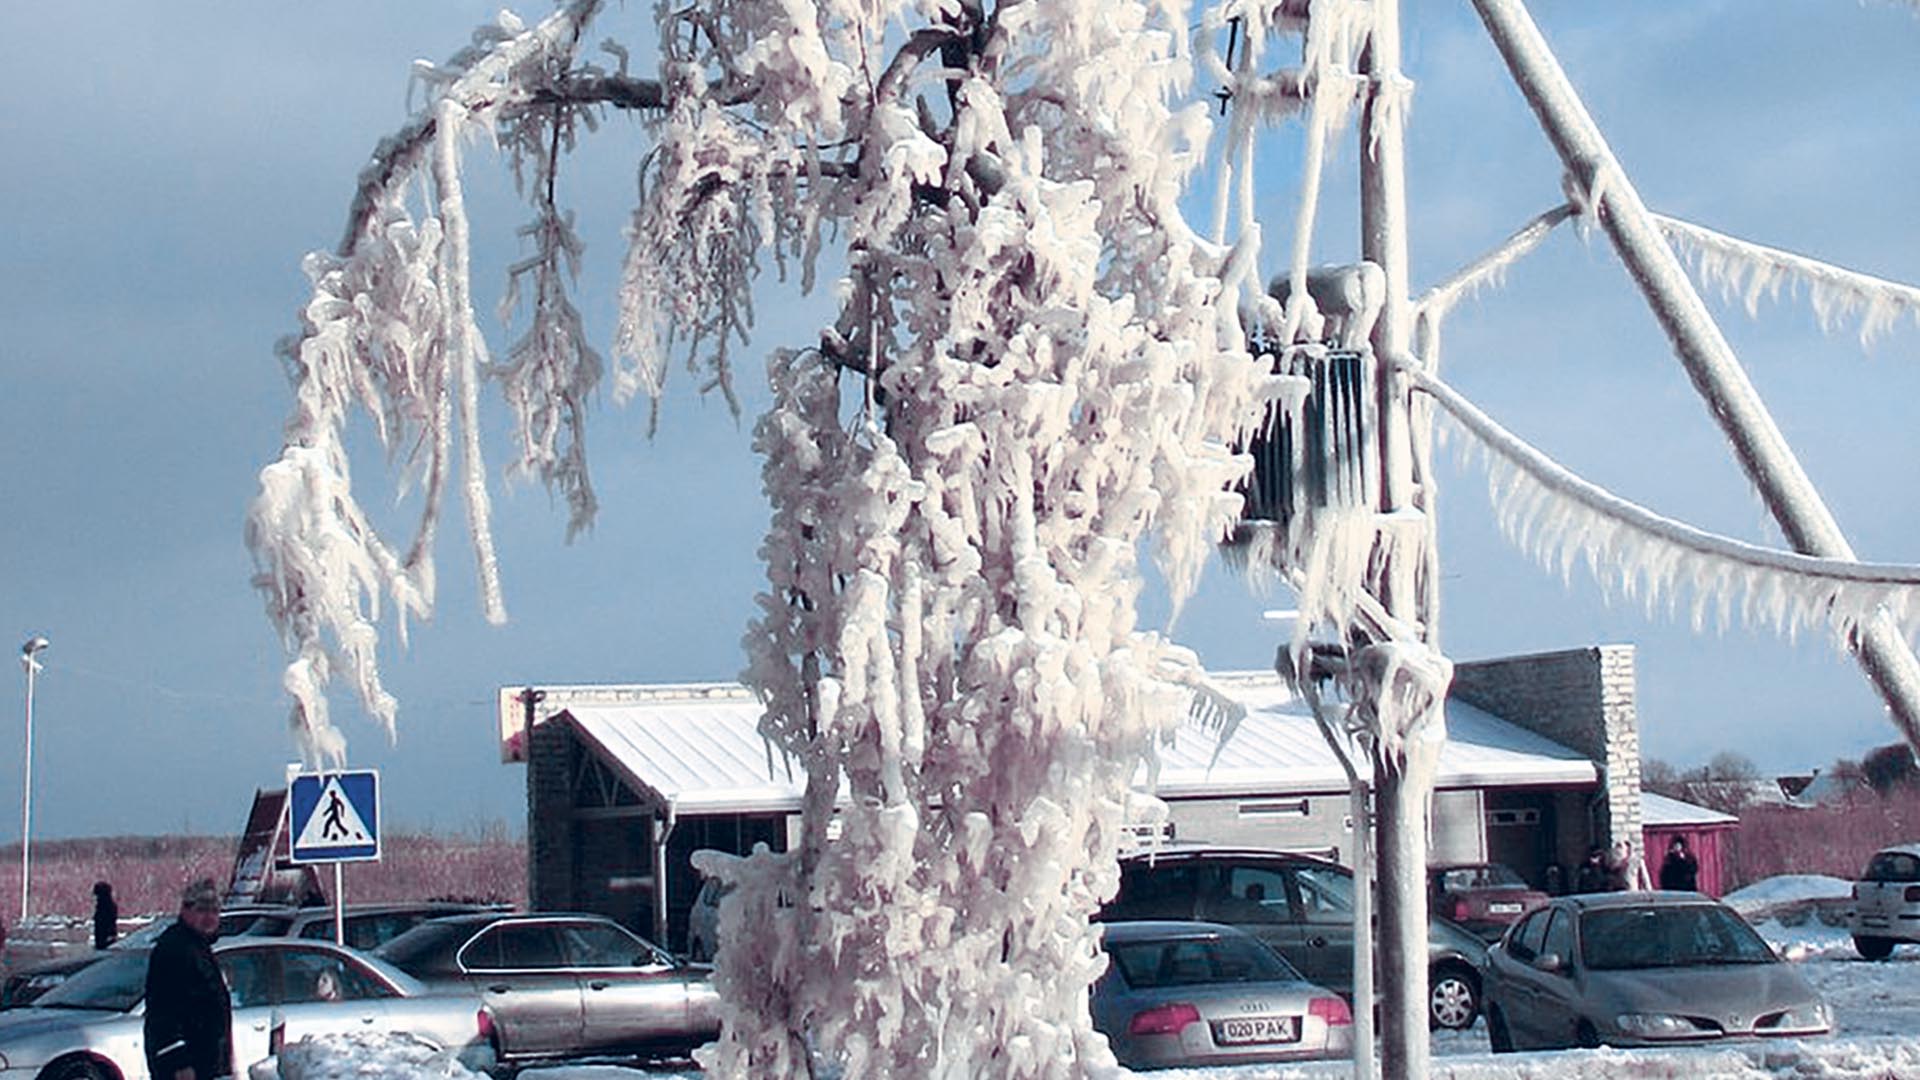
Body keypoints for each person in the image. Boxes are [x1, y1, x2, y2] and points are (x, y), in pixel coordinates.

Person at [145, 878, 232, 1080]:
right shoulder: (176, 949)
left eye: (214, 911)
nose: (209, 917)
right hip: (185, 1065)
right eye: (202, 910)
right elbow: (163, 1009)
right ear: (186, 910)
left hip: (204, 1060)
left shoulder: (197, 947)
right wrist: (178, 1061)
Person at [92, 881, 119, 949]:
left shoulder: (104, 907)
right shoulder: (108, 905)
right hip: (105, 937)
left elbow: (105, 923)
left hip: (104, 938)